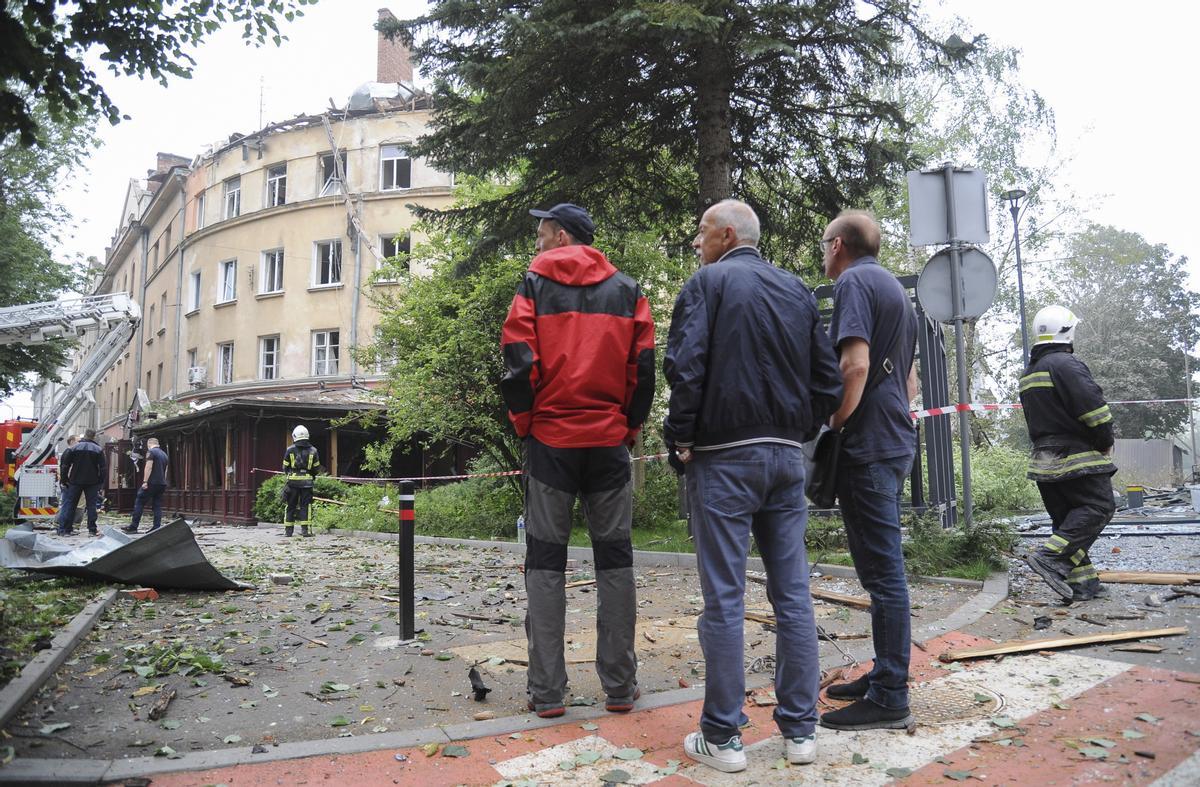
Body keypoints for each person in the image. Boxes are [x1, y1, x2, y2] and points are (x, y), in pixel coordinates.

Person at [664, 199, 843, 773]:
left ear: (724, 233)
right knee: (792, 595)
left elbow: (685, 367)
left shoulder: (706, 284)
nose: (695, 242)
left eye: (699, 233)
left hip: (722, 460)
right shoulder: (796, 290)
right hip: (786, 460)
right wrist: (797, 431)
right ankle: (800, 732)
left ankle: (722, 735)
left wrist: (681, 438)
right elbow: (828, 381)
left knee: (725, 597)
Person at [500, 202, 655, 720]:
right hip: (608, 443)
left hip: (551, 444)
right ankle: (619, 686)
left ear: (562, 235)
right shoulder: (628, 290)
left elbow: (518, 362)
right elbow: (644, 370)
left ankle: (547, 693)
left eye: (543, 234)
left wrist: (528, 426)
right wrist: (627, 430)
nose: (539, 243)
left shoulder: (533, 286)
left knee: (545, 565)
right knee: (616, 561)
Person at [818, 210, 920, 732]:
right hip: (893, 437)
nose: (823, 251)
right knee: (880, 573)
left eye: (824, 243)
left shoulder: (855, 282)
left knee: (884, 576)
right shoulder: (894, 291)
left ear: (838, 246)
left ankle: (889, 695)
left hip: (870, 445)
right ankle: (884, 672)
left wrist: (833, 424)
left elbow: (854, 365)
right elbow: (912, 383)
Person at [1019, 305, 1116, 602]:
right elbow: (1095, 410)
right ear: (1067, 332)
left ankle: (1084, 584)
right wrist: (1104, 441)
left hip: (1044, 460)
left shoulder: (1030, 373)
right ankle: (1050, 558)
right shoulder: (1066, 365)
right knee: (1099, 507)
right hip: (1075, 456)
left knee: (1066, 522)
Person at [57, 428, 106, 537]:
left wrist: (64, 480)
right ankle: (92, 530)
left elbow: (65, 465)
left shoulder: (74, 448)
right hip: (92, 482)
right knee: (91, 506)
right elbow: (103, 468)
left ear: (84, 436)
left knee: (71, 504)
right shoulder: (98, 449)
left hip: (75, 480)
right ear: (94, 436)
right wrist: (101, 483)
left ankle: (66, 529)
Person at [123, 437, 168, 534]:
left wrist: (145, 481)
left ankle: (133, 527)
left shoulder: (151, 452)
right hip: (161, 483)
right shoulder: (164, 454)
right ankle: (157, 527)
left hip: (151, 482)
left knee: (139, 501)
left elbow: (149, 467)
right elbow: (165, 470)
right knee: (157, 505)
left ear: (149, 444)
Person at [282, 425, 320, 537]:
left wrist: (290, 475)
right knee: (305, 506)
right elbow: (316, 468)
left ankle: (288, 532)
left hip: (292, 483)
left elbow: (285, 467)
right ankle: (305, 531)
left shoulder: (290, 450)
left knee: (290, 506)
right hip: (307, 483)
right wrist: (310, 475)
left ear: (295, 436)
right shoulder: (314, 450)